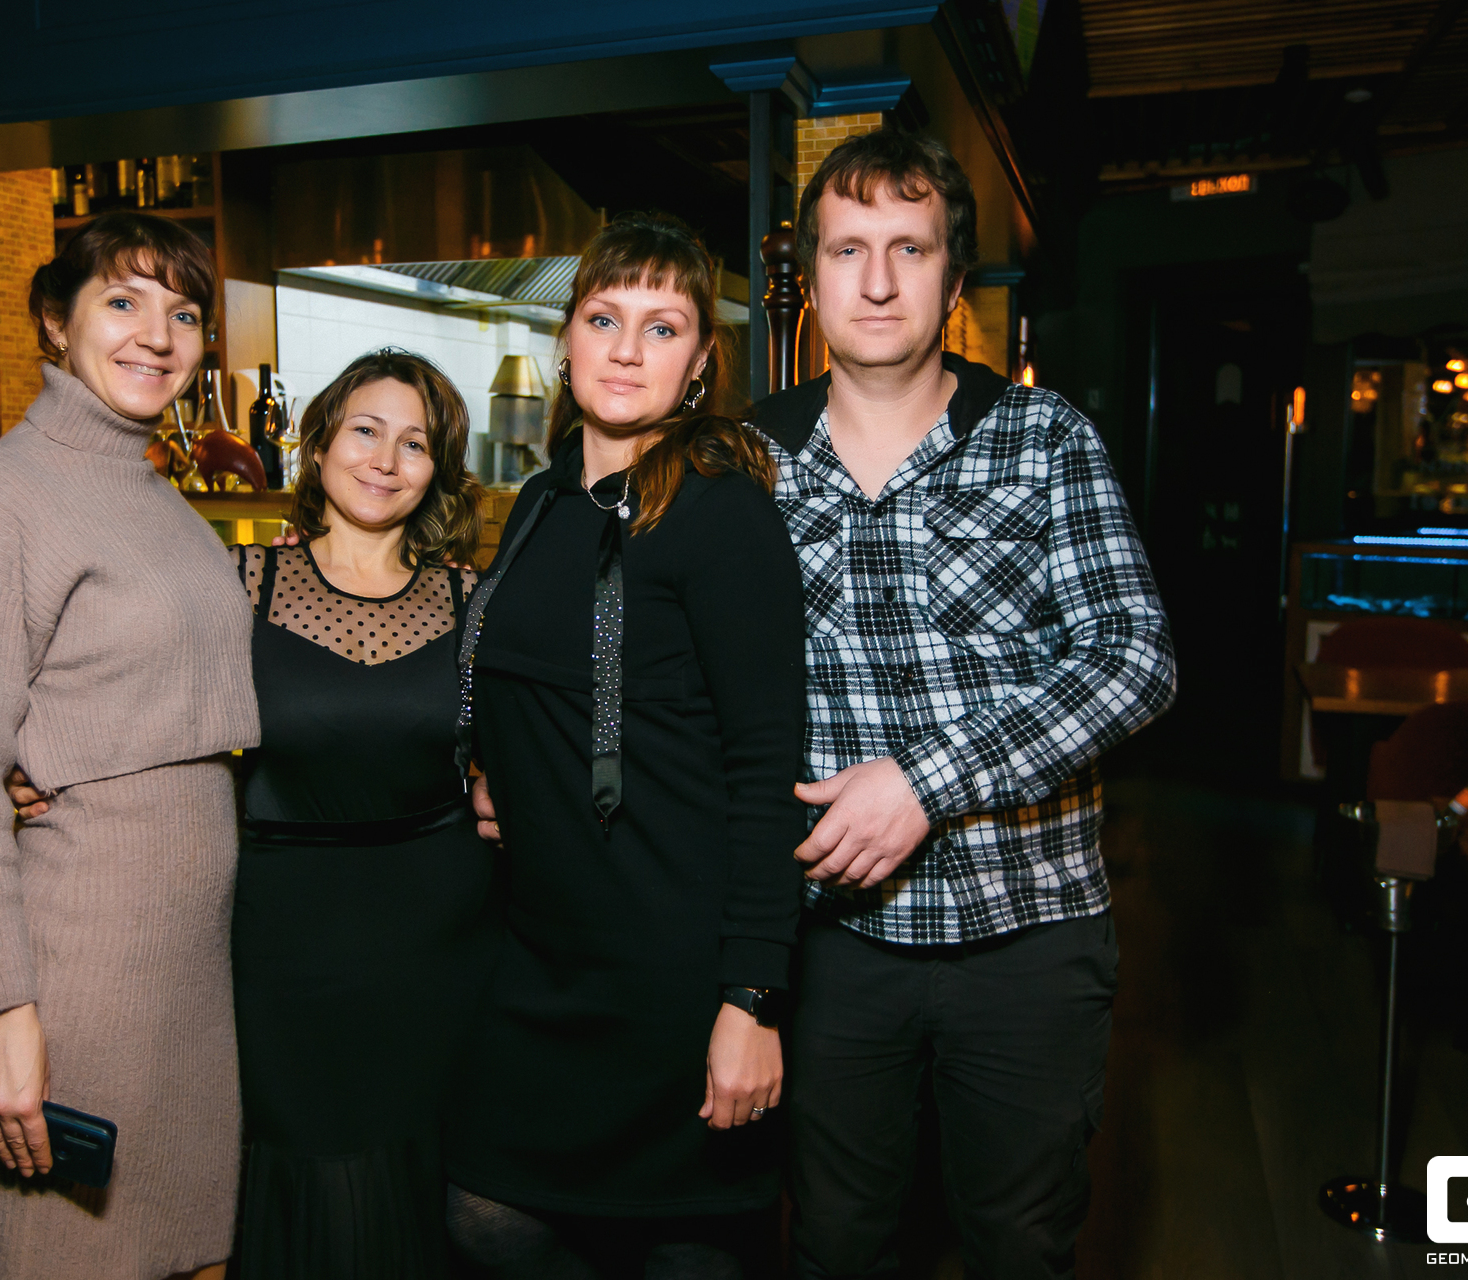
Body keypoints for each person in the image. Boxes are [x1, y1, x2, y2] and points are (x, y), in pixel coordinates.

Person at [751, 129, 1176, 1278]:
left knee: (1016, 1245)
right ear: (811, 278)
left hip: (1028, 937)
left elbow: (1134, 657)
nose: (878, 279)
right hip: (832, 943)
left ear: (953, 278)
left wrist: (926, 782)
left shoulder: (1046, 439)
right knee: (836, 1243)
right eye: (848, 249)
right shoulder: (749, 463)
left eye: (910, 247)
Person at [445, 212, 807, 1278]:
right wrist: (497, 770)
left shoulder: (723, 513)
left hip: (676, 964)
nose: (627, 350)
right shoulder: (540, 500)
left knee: (686, 1251)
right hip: (545, 952)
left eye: (663, 327)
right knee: (485, 1215)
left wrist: (752, 997)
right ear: (567, 339)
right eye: (605, 318)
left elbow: (766, 767)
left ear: (698, 364)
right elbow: (525, 678)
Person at [0, 211, 260, 1280]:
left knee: (189, 1252)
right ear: (55, 321)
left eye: (183, 313)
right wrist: (4, 1015)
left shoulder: (157, 492)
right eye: (123, 301)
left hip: (188, 962)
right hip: (85, 959)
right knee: (71, 1254)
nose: (157, 335)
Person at [226, 349, 495, 1277]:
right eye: (365, 431)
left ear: (437, 470)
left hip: (438, 938)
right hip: (285, 937)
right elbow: (137, 703)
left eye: (414, 443)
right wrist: (38, 767)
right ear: (319, 446)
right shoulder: (241, 583)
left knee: (422, 1183)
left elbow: (545, 734)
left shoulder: (473, 599)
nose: (386, 460)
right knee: (312, 1175)